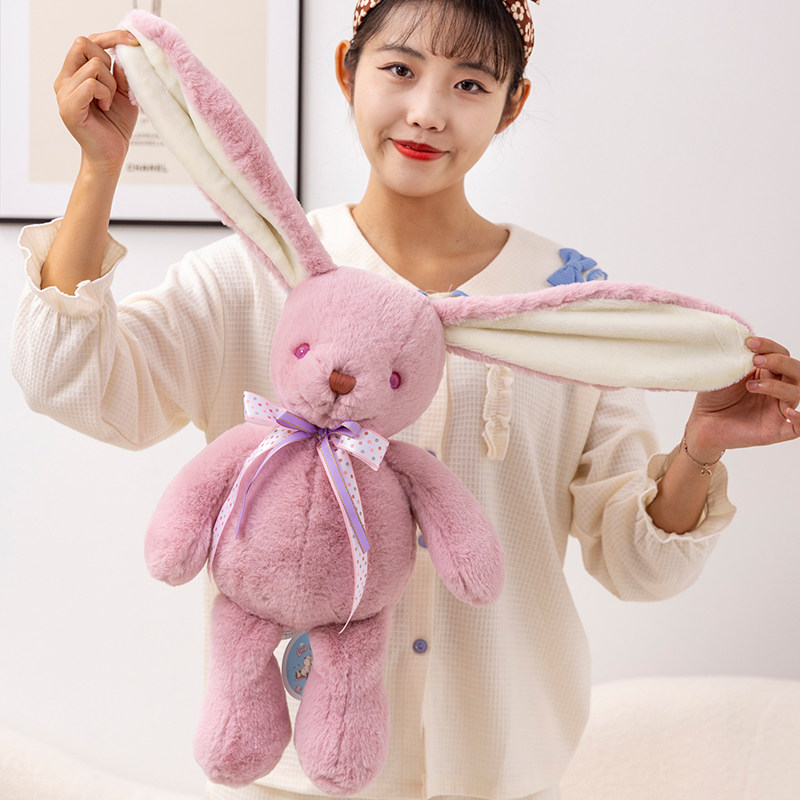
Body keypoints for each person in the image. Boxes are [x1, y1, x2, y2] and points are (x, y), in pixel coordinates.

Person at [10, 1, 800, 798]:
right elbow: (73, 382)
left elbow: (638, 566)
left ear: (513, 104)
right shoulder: (257, 271)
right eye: (399, 69)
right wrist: (98, 169)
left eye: (470, 84)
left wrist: (700, 449)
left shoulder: (570, 307)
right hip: (293, 773)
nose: (427, 110)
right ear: (347, 70)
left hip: (503, 767)